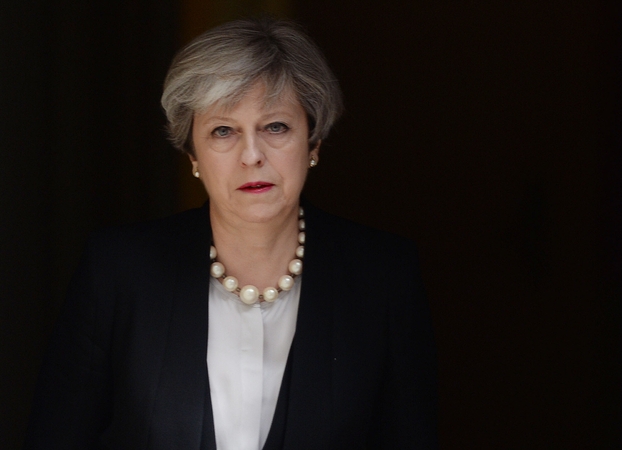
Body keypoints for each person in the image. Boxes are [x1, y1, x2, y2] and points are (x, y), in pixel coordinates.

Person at [25, 17, 438, 450]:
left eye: (275, 126)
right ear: (192, 154)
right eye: (223, 131)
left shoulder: (383, 277)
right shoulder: (118, 270)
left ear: (313, 142)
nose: (252, 155)